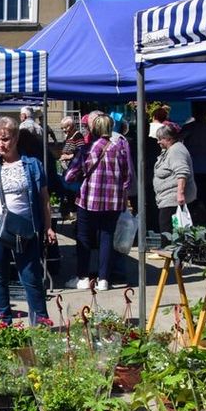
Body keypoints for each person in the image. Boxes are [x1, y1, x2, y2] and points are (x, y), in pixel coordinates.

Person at [0, 117, 55, 325]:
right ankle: (3, 323)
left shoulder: (33, 165)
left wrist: (48, 227)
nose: (1, 144)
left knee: (31, 278)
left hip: (24, 228)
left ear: (16, 138)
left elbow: (44, 199)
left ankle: (40, 323)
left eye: (5, 139)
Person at [65, 115, 130, 291]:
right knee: (107, 237)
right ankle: (104, 279)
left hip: (89, 200)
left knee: (84, 238)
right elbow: (128, 178)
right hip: (114, 201)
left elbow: (70, 175)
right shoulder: (121, 148)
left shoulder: (88, 149)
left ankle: (83, 277)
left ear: (94, 129)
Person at [154, 122, 206, 234]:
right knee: (168, 230)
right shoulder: (170, 150)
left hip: (173, 200)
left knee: (168, 231)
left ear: (168, 138)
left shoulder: (176, 150)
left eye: (160, 139)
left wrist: (180, 194)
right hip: (167, 200)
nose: (158, 142)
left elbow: (182, 172)